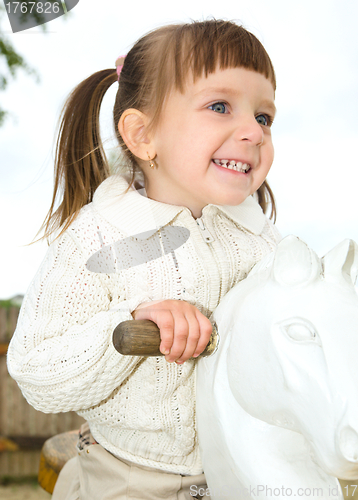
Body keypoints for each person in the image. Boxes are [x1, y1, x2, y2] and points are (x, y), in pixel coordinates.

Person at [7, 19, 281, 500]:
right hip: (131, 477)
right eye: (220, 106)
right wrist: (126, 325)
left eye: (263, 117)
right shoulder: (97, 237)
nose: (254, 133)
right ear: (142, 135)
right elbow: (37, 372)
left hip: (244, 470)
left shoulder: (263, 242)